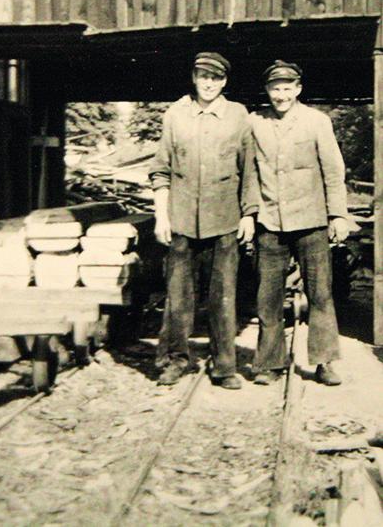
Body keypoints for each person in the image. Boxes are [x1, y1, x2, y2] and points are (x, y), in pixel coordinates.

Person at [149, 52, 257, 389]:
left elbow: (249, 169)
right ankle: (174, 360)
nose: (208, 83)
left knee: (223, 297)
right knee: (178, 296)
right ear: (194, 78)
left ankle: (224, 366)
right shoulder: (175, 115)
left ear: (224, 81)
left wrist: (249, 214)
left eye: (215, 77)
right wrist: (160, 214)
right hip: (181, 219)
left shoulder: (238, 116)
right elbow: (161, 169)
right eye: (202, 76)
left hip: (224, 220)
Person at [250, 60, 348, 386]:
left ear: (298, 89)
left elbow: (333, 171)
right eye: (275, 88)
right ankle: (268, 363)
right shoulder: (255, 123)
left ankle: (324, 362)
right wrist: (249, 214)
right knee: (268, 297)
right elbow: (248, 173)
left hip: (311, 221)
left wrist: (338, 215)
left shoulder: (317, 122)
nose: (281, 95)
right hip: (270, 221)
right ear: (267, 91)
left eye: (287, 88)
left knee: (320, 293)